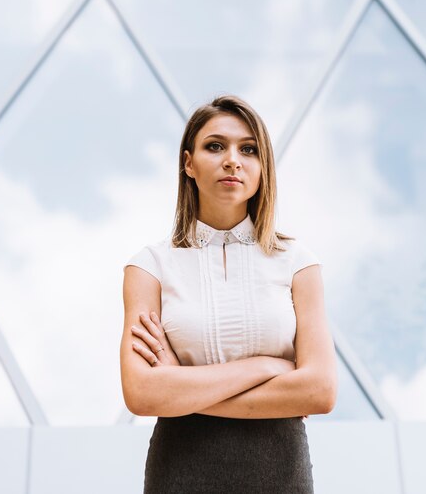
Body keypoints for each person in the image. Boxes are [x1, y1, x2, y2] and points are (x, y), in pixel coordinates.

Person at [120, 94, 337, 493]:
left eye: (248, 149)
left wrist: (180, 386)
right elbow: (142, 393)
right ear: (188, 163)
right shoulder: (149, 266)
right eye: (215, 145)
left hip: (280, 473)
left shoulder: (298, 262)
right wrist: (267, 367)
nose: (232, 159)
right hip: (180, 472)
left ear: (262, 167)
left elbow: (319, 391)